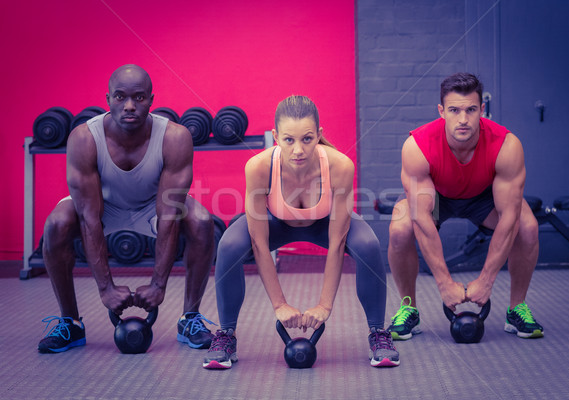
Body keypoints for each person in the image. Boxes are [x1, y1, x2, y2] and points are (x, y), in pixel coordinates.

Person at [203, 95, 399, 369]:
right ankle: (226, 335)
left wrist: (324, 305)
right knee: (229, 245)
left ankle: (378, 332)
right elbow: (260, 244)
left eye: (307, 139)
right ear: (275, 136)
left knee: (367, 244)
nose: (298, 150)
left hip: (324, 223)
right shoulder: (258, 167)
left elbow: (338, 240)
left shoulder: (340, 165)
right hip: (275, 223)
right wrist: (280, 305)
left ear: (319, 135)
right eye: (288, 140)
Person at [38, 64, 216, 353]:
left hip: (153, 206)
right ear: (107, 99)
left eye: (139, 98)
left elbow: (169, 216)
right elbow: (89, 219)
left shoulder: (175, 137)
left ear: (151, 99)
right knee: (56, 225)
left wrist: (158, 285)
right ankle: (70, 323)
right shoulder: (84, 139)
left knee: (201, 221)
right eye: (120, 97)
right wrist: (106, 288)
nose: (130, 106)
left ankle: (190, 318)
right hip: (101, 206)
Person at [387, 73, 544, 341]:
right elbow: (422, 219)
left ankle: (517, 307)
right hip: (437, 198)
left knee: (527, 227)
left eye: (471, 110)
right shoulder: (418, 146)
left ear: (482, 110)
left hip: (484, 198)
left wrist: (485, 281)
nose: (463, 119)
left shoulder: (506, 145)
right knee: (400, 229)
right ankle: (408, 308)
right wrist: (445, 284)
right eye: (455, 110)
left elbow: (509, 219)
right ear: (441, 111)